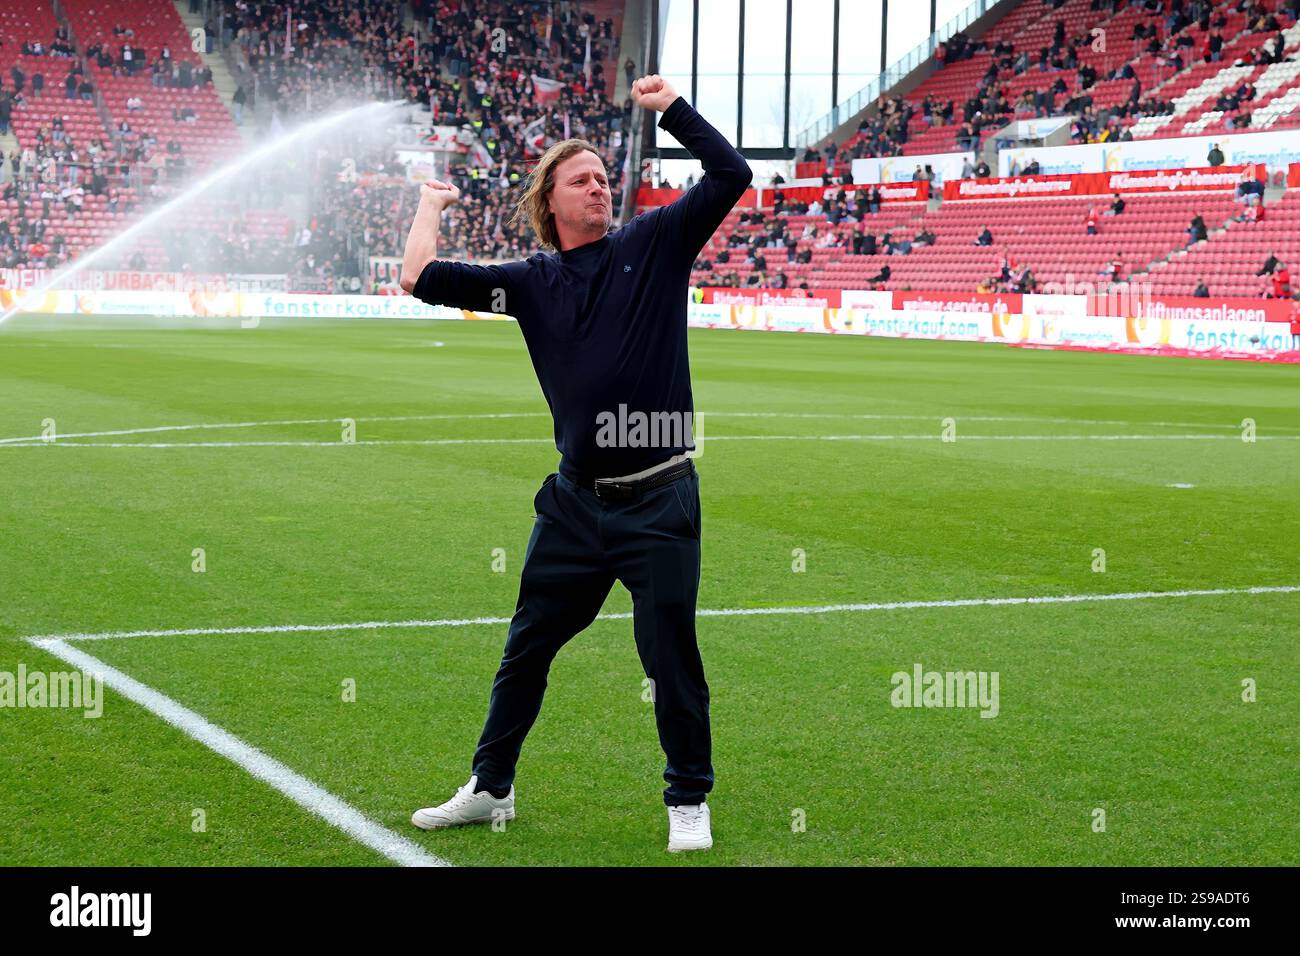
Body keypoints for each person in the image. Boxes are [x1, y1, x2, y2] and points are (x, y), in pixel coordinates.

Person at [401, 75, 750, 853]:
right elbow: (417, 279)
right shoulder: (530, 283)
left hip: (659, 500)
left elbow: (731, 175)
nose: (598, 187)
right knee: (526, 647)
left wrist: (671, 112)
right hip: (573, 505)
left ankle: (688, 798)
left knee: (669, 657)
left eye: (602, 178)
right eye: (580, 180)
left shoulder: (655, 244)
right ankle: (491, 785)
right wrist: (429, 203)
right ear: (550, 201)